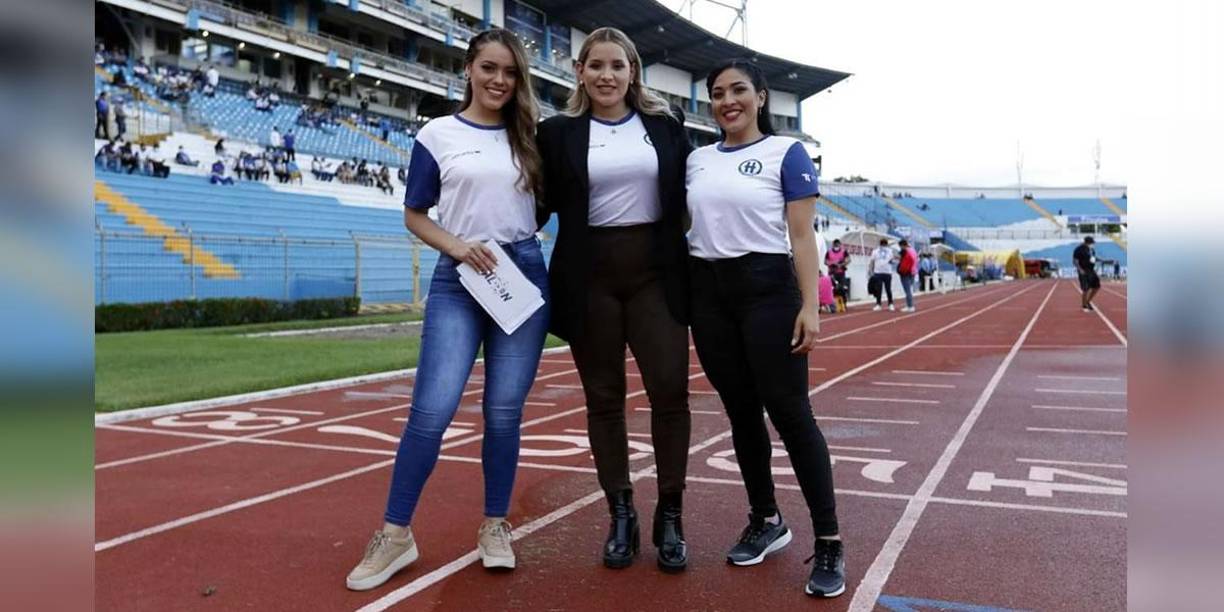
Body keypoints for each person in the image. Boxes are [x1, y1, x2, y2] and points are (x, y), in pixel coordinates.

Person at [346, 28, 548, 591]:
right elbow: (415, 214)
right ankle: (395, 534)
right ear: (468, 69)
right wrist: (459, 246)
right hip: (460, 275)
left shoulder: (530, 134)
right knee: (430, 411)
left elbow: (544, 211)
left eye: (510, 72)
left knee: (504, 413)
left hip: (520, 275)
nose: (499, 81)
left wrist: (515, 249)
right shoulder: (436, 134)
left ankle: (494, 525)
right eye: (489, 68)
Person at [685, 58, 845, 598]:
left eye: (738, 90)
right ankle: (767, 519)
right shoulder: (698, 160)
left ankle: (829, 541)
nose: (727, 100)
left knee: (792, 414)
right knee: (740, 413)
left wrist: (811, 306)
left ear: (760, 96)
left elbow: (802, 237)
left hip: (767, 289)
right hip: (709, 294)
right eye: (718, 92)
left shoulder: (786, 153)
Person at [537, 26, 693, 573]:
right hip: (589, 279)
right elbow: (532, 205)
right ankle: (620, 512)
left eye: (617, 66)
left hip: (656, 273)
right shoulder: (555, 133)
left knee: (670, 392)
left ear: (633, 73)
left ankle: (669, 514)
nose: (607, 75)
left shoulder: (665, 127)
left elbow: (695, 199)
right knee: (604, 399)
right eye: (595, 65)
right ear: (578, 71)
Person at [1073, 236, 1100, 312]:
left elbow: (1093, 258)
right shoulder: (1078, 249)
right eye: (1091, 243)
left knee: (1097, 287)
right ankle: (1084, 305)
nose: (1092, 244)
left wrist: (1102, 260)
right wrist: (1080, 269)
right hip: (1083, 271)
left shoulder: (1091, 249)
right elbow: (1075, 261)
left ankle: (1088, 301)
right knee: (1086, 288)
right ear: (1086, 242)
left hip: (1091, 270)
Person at [869, 237, 896, 311]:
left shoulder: (889, 251)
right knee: (884, 289)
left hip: (883, 272)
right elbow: (872, 261)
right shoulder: (877, 251)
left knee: (884, 289)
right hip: (881, 272)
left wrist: (871, 271)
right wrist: (871, 271)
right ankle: (886, 304)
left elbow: (872, 262)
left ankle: (884, 304)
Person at [824, 238, 850, 306]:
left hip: (841, 273)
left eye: (837, 244)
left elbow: (848, 260)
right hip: (832, 273)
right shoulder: (829, 252)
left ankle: (844, 302)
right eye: (835, 244)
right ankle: (832, 303)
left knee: (842, 288)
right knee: (832, 288)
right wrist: (832, 264)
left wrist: (841, 264)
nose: (836, 246)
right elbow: (825, 261)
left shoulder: (844, 251)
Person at [896, 238, 918, 312]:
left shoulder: (904, 251)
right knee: (909, 289)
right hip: (913, 272)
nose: (900, 248)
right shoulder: (913, 250)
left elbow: (899, 258)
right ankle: (909, 305)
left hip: (905, 272)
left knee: (907, 290)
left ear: (902, 245)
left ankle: (910, 306)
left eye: (900, 246)